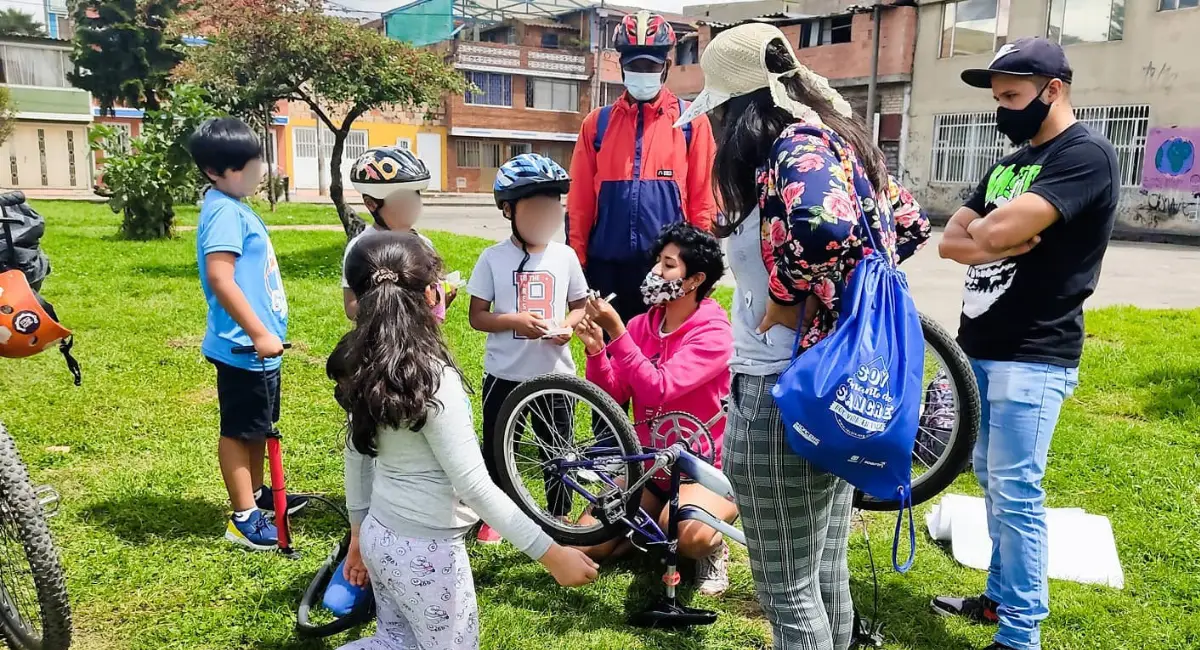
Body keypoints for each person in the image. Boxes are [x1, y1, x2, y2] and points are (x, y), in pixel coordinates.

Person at [674, 24, 929, 649]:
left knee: (788, 590)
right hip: (831, 387)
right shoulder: (842, 143)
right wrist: (838, 303)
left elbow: (822, 229)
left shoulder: (791, 147)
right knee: (824, 569)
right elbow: (909, 225)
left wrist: (794, 300)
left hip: (780, 392)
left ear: (737, 109)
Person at [328, 232, 599, 650]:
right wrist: (552, 555)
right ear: (433, 294)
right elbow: (475, 487)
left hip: (380, 534)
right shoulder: (433, 379)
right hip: (428, 553)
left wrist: (360, 533)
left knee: (392, 641)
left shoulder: (360, 363)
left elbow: (357, 456)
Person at [933, 38, 1117, 650]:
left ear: (1053, 89)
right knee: (989, 478)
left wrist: (989, 233)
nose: (1002, 109)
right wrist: (993, 237)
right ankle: (997, 598)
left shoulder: (1084, 155)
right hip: (979, 345)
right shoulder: (1013, 161)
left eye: (1012, 96)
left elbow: (993, 226)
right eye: (998, 98)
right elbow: (950, 242)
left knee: (1015, 489)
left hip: (1034, 353)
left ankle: (1020, 634)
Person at [573, 222, 736, 596]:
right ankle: (652, 535)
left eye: (668, 265)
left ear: (695, 280)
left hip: (703, 471)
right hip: (651, 468)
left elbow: (660, 387)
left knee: (685, 531)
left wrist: (618, 334)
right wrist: (598, 350)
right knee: (586, 544)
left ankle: (708, 543)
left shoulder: (713, 332)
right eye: (657, 263)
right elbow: (614, 395)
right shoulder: (641, 326)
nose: (655, 274)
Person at [188, 117, 309, 551]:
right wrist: (258, 332)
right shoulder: (222, 211)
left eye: (257, 161)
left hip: (259, 351)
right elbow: (222, 279)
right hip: (243, 347)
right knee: (240, 431)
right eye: (246, 166)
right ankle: (243, 518)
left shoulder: (235, 206)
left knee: (258, 426)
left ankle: (259, 497)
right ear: (214, 173)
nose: (257, 171)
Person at [467, 153, 590, 544]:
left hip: (555, 375)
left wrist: (568, 329)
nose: (546, 216)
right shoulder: (492, 259)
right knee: (500, 446)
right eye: (535, 208)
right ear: (508, 210)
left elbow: (578, 305)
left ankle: (558, 514)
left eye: (552, 208)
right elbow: (477, 316)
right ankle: (496, 515)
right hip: (505, 375)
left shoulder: (565, 256)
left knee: (558, 450)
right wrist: (515, 321)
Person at [567, 10, 717, 325]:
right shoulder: (597, 124)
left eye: (650, 66)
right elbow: (579, 201)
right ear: (621, 66)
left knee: (661, 359)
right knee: (607, 358)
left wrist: (703, 266)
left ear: (666, 67)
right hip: (606, 267)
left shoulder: (692, 123)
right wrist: (575, 260)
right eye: (634, 66)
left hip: (667, 269)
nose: (642, 73)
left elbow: (704, 201)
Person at [343, 146, 453, 321]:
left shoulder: (423, 244)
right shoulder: (361, 248)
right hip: (378, 342)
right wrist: (392, 299)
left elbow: (433, 302)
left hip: (420, 341)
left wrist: (441, 298)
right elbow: (351, 308)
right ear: (371, 203)